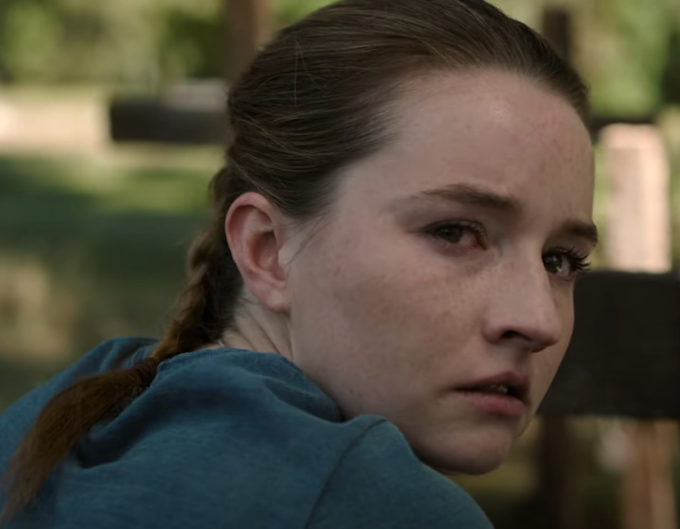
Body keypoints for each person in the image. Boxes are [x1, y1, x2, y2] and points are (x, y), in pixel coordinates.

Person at [0, 0, 597, 527]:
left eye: (560, 259)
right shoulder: (376, 505)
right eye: (455, 232)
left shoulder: (66, 419)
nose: (538, 319)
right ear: (267, 251)